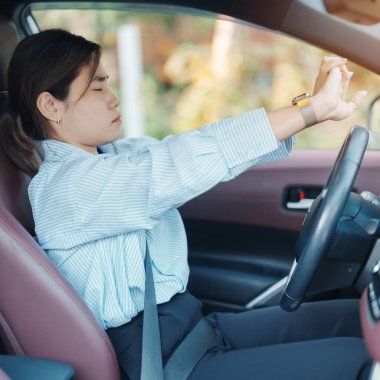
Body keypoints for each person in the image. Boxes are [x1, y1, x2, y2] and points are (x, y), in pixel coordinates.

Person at [0, 29, 371, 380]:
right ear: (51, 105)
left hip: (194, 330)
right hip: (162, 363)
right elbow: (178, 164)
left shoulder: (115, 156)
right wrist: (310, 111)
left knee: (353, 318)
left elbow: (202, 152)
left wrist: (303, 112)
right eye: (97, 86)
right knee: (355, 361)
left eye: (108, 83)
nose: (113, 96)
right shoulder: (66, 188)